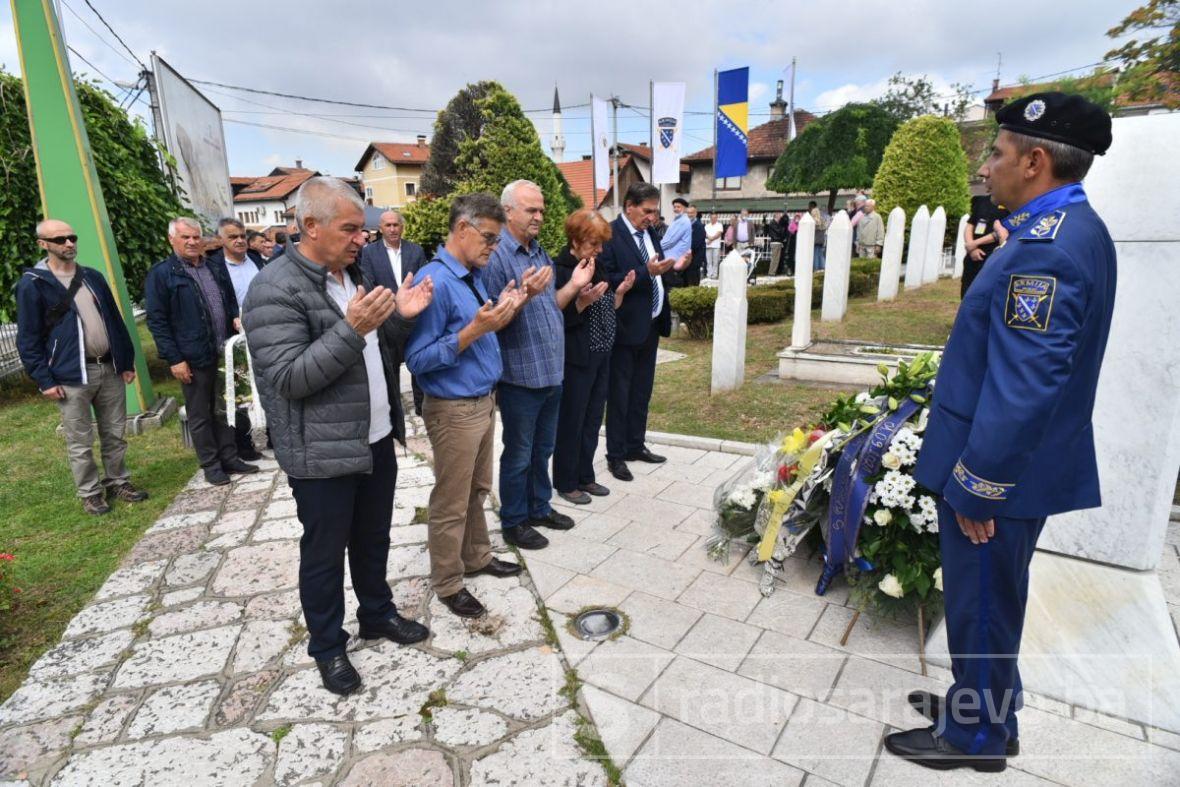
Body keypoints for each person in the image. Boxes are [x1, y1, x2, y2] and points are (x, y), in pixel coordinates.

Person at [887, 92, 1116, 772]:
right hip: (1018, 465)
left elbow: (1025, 387)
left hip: (998, 475)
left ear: (1037, 161)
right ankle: (982, 702)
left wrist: (978, 485)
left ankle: (976, 736)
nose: (986, 167)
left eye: (997, 153)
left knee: (982, 599)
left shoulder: (1048, 250)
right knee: (993, 597)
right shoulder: (1062, 229)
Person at [243, 177, 434, 696]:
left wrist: (402, 317)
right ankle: (328, 647)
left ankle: (377, 614)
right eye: (350, 229)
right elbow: (289, 379)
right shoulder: (273, 289)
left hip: (372, 434)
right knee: (324, 553)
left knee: (373, 538)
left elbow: (380, 346)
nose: (362, 239)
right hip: (320, 450)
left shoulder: (352, 273)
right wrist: (352, 329)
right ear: (310, 226)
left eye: (363, 229)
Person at [406, 193, 527, 619]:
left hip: (481, 402)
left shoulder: (469, 276)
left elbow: (481, 332)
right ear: (462, 229)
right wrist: (474, 330)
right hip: (453, 408)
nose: (493, 248)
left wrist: (506, 311)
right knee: (451, 500)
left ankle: (476, 557)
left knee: (477, 490)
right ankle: (447, 581)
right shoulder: (434, 282)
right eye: (490, 238)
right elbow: (417, 360)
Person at [484, 180, 592, 550]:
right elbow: (493, 319)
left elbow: (552, 306)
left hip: (550, 371)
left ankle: (539, 507)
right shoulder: (497, 257)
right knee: (517, 454)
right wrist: (524, 297)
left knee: (542, 449)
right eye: (531, 209)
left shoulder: (539, 253)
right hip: (519, 376)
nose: (539, 216)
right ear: (508, 211)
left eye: (541, 210)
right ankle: (514, 520)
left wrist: (575, 286)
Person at [15, 220, 149, 515]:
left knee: (114, 432)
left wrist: (124, 361)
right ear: (43, 244)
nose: (68, 243)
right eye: (60, 239)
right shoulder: (33, 284)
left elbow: (115, 320)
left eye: (72, 237)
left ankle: (118, 480)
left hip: (108, 369)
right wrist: (44, 379)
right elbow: (28, 338)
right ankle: (90, 492)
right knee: (80, 439)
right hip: (70, 375)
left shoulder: (92, 277)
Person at [145, 217, 257, 486]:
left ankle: (229, 456)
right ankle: (211, 463)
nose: (193, 242)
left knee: (225, 407)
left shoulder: (214, 267)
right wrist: (174, 358)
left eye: (196, 237)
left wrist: (233, 317)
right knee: (201, 413)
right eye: (186, 237)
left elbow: (228, 301)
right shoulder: (163, 274)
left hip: (223, 352)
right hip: (192, 356)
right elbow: (157, 321)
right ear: (172, 239)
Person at [599, 183, 689, 482]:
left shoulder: (650, 233)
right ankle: (616, 455)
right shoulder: (610, 235)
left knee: (641, 392)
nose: (653, 217)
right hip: (624, 328)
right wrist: (645, 273)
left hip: (650, 325)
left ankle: (635, 445)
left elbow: (656, 271)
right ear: (630, 207)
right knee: (620, 394)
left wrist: (673, 268)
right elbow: (608, 278)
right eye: (647, 211)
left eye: (655, 212)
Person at [552, 209, 635, 505]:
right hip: (577, 357)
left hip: (602, 353)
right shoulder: (561, 269)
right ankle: (565, 480)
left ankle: (585, 475)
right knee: (572, 421)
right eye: (593, 244)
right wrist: (581, 302)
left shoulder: (593, 265)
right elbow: (555, 317)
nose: (599, 250)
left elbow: (607, 305)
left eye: (600, 244)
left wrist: (620, 292)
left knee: (591, 420)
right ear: (575, 240)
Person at [359, 210, 430, 415]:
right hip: (387, 319)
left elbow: (421, 280)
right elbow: (368, 283)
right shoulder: (369, 253)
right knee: (390, 369)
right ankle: (394, 412)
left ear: (402, 226)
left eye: (396, 225)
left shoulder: (415, 251)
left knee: (417, 365)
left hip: (413, 320)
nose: (392, 229)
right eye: (388, 225)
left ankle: (421, 408)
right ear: (380, 228)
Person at [210, 218, 265, 461]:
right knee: (240, 390)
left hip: (264, 330)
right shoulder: (215, 267)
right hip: (235, 337)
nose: (240, 240)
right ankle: (243, 444)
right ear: (221, 240)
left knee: (268, 384)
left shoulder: (254, 259)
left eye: (242, 235)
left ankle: (274, 434)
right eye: (233, 237)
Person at [961, 194, 1011, 297]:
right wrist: (971, 248)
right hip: (973, 257)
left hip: (992, 255)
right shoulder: (981, 200)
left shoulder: (1010, 202)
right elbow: (971, 224)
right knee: (967, 292)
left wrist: (975, 243)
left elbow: (1004, 230)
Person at [659, 198, 693, 287]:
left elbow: (670, 241)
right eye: (674, 207)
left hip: (674, 261)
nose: (676, 209)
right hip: (672, 260)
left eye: (678, 207)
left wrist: (656, 247)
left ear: (685, 208)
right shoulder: (678, 220)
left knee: (670, 287)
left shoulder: (683, 221)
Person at [686, 205, 706, 286]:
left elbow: (696, 244)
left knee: (693, 281)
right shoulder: (686, 224)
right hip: (688, 258)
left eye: (692, 213)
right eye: (688, 213)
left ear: (695, 213)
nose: (690, 215)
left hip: (695, 258)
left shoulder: (699, 226)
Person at [703, 212, 724, 278]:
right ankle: (709, 274)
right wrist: (709, 239)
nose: (713, 219)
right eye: (712, 217)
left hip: (716, 246)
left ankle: (714, 275)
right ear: (710, 218)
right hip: (708, 245)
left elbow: (718, 234)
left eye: (715, 217)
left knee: (715, 261)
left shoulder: (719, 225)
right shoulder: (707, 225)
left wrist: (711, 239)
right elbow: (705, 234)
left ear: (717, 218)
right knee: (709, 261)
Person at [766, 210, 787, 274]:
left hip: (777, 242)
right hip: (775, 242)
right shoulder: (773, 223)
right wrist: (783, 227)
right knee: (774, 259)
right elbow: (779, 232)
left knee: (776, 259)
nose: (780, 218)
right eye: (779, 217)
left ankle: (773, 272)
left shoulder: (776, 224)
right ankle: (771, 272)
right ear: (776, 216)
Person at [809, 201, 827, 271]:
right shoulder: (822, 219)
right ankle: (823, 268)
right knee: (820, 254)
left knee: (815, 254)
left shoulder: (814, 220)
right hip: (821, 239)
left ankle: (816, 269)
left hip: (815, 239)